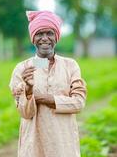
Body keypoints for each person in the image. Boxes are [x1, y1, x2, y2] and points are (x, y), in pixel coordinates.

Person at [9, 10, 87, 157]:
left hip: (63, 143)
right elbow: (25, 113)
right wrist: (29, 89)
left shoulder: (70, 65)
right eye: (39, 34)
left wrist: (40, 98)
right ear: (33, 38)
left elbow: (78, 103)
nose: (44, 38)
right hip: (34, 145)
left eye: (49, 33)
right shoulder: (22, 69)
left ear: (56, 37)